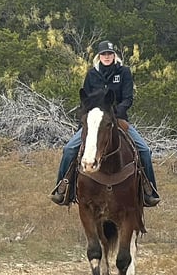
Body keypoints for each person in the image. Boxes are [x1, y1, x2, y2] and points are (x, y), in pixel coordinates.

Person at [50, 40, 161, 207]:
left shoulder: (124, 73)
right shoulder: (92, 75)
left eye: (109, 54)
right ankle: (63, 187)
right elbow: (85, 101)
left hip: (118, 119)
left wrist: (115, 114)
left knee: (144, 150)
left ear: (114, 55)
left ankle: (149, 189)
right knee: (69, 150)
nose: (107, 57)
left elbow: (128, 98)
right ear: (99, 56)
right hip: (94, 122)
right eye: (104, 54)